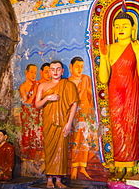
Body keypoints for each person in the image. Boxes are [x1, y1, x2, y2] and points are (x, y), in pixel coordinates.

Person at [99, 11, 139, 180]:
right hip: (115, 92)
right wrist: (103, 56)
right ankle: (119, 163)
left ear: (133, 28)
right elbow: (103, 78)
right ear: (113, 29)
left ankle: (131, 164)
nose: (121, 29)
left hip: (132, 91)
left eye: (125, 26)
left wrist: (137, 53)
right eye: (117, 26)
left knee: (131, 125)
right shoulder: (111, 48)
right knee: (117, 127)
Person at [35, 60, 79, 188]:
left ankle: (59, 179)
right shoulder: (42, 86)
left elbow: (74, 104)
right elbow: (37, 105)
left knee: (61, 150)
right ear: (48, 71)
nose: (55, 72)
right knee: (49, 150)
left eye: (58, 69)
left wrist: (69, 123)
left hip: (63, 122)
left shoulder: (68, 85)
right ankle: (49, 179)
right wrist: (47, 98)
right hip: (48, 122)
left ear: (62, 71)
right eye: (52, 69)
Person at [68, 56, 96, 179]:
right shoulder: (68, 82)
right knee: (75, 141)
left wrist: (86, 89)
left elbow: (93, 94)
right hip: (74, 114)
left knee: (85, 140)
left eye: (81, 66)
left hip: (86, 113)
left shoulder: (86, 79)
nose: (79, 69)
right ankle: (74, 168)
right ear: (71, 67)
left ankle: (83, 167)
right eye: (77, 66)